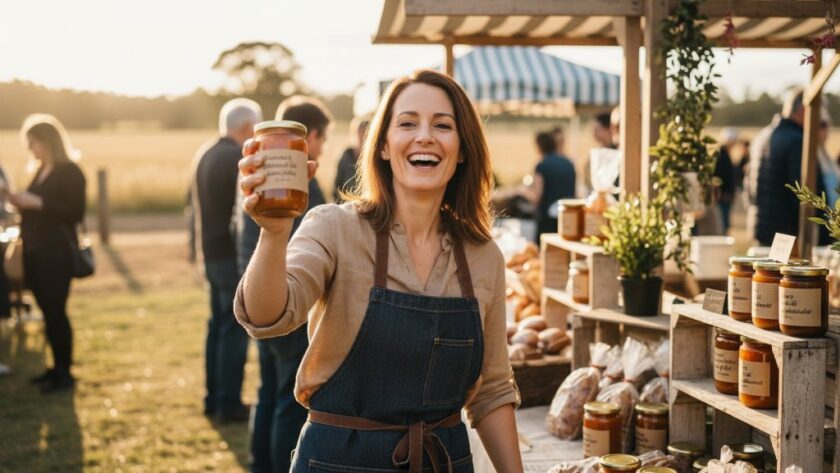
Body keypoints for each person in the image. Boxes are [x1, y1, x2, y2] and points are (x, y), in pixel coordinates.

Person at [235, 70, 523, 471]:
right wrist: (274, 232)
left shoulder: (483, 256)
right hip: (337, 462)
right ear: (384, 146)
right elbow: (267, 316)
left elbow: (491, 391)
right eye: (407, 123)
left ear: (462, 151)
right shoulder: (335, 228)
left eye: (442, 125)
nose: (424, 136)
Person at [236, 96, 332, 473]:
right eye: (321, 139)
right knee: (287, 401)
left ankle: (259, 463)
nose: (322, 149)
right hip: (285, 296)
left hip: (260, 290)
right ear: (308, 138)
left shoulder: (259, 175)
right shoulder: (290, 181)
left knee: (268, 390)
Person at [193, 98, 262, 422]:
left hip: (210, 252)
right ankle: (229, 404)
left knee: (217, 328)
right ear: (247, 128)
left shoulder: (205, 153)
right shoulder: (237, 158)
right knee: (233, 333)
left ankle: (213, 398)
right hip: (231, 257)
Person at [11, 114, 86, 393]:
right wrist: (18, 200)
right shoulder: (41, 169)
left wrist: (38, 202)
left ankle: (64, 373)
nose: (30, 149)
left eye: (33, 143)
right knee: (47, 312)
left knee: (56, 313)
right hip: (34, 252)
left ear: (48, 141)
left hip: (56, 255)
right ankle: (54, 369)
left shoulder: (70, 172)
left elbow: (74, 212)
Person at [755, 87, 829, 245]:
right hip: (788, 236)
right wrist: (825, 235)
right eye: (818, 112)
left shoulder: (769, 135)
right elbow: (804, 194)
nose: (819, 119)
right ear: (805, 110)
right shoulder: (798, 142)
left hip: (769, 231)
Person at [519, 131, 576, 243]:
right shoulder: (569, 163)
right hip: (568, 218)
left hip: (547, 220)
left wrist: (522, 191)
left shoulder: (542, 165)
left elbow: (536, 196)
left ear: (539, 147)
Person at [333, 114, 370, 203]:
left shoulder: (376, 161)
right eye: (360, 134)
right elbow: (336, 189)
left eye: (366, 136)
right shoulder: (345, 159)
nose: (362, 139)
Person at [715, 128, 738, 233]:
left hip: (725, 196)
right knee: (723, 224)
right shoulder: (721, 156)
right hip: (723, 197)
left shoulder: (725, 155)